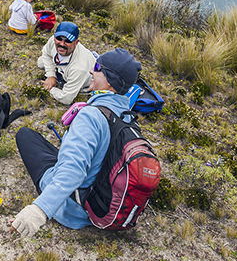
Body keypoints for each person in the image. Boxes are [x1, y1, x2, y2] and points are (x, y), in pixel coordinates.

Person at [11, 49, 143, 236]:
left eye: (97, 67)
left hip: (73, 209)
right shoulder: (128, 118)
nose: (91, 71)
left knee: (25, 135)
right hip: (101, 200)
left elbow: (73, 171)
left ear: (110, 82)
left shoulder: (91, 116)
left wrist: (40, 210)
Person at [38, 21, 98, 105]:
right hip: (63, 68)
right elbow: (46, 54)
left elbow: (66, 99)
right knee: (40, 62)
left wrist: (50, 89)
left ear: (76, 42)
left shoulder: (79, 68)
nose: (62, 44)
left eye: (68, 41)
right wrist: (51, 76)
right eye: (59, 39)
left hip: (83, 78)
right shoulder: (53, 40)